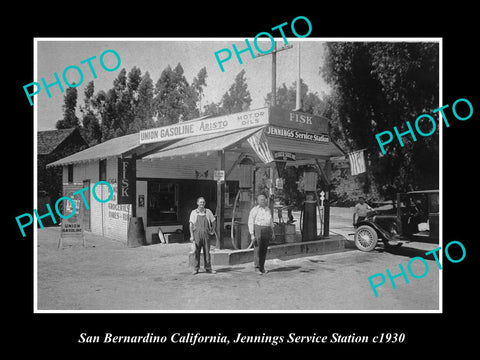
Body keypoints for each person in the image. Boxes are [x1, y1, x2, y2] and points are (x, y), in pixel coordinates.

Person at [248, 194, 275, 274]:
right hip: (258, 229)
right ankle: (257, 268)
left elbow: (271, 222)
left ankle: (262, 267)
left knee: (264, 249)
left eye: (264, 199)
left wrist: (272, 232)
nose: (264, 201)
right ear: (257, 201)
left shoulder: (268, 210)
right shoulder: (254, 210)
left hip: (266, 230)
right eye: (261, 200)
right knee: (257, 249)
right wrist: (252, 234)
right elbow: (250, 222)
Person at [189, 197, 216, 275]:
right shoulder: (194, 212)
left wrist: (213, 230)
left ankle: (208, 268)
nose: (202, 204)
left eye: (203, 202)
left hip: (206, 235)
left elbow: (214, 221)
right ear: (197, 203)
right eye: (200, 202)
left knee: (207, 252)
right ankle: (196, 268)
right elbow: (191, 225)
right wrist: (192, 236)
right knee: (196, 252)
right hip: (197, 235)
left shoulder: (208, 212)